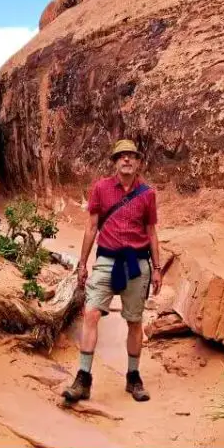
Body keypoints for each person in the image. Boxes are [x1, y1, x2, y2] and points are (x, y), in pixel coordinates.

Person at [62, 139, 162, 404]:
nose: (126, 160)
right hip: (106, 260)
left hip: (136, 262)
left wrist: (158, 268)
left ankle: (133, 377)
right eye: (121, 156)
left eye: (131, 156)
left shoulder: (147, 193)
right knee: (92, 313)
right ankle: (83, 378)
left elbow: (151, 232)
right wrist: (82, 264)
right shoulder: (101, 188)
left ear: (138, 161)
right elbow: (91, 227)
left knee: (134, 320)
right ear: (115, 162)